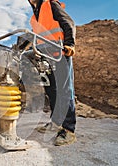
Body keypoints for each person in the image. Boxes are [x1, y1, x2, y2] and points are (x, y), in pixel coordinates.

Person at [27, 0, 77, 146]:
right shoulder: (34, 16)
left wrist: (70, 43)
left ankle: (68, 130)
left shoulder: (50, 4)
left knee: (65, 90)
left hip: (60, 52)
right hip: (46, 55)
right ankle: (56, 123)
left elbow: (69, 23)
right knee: (52, 90)